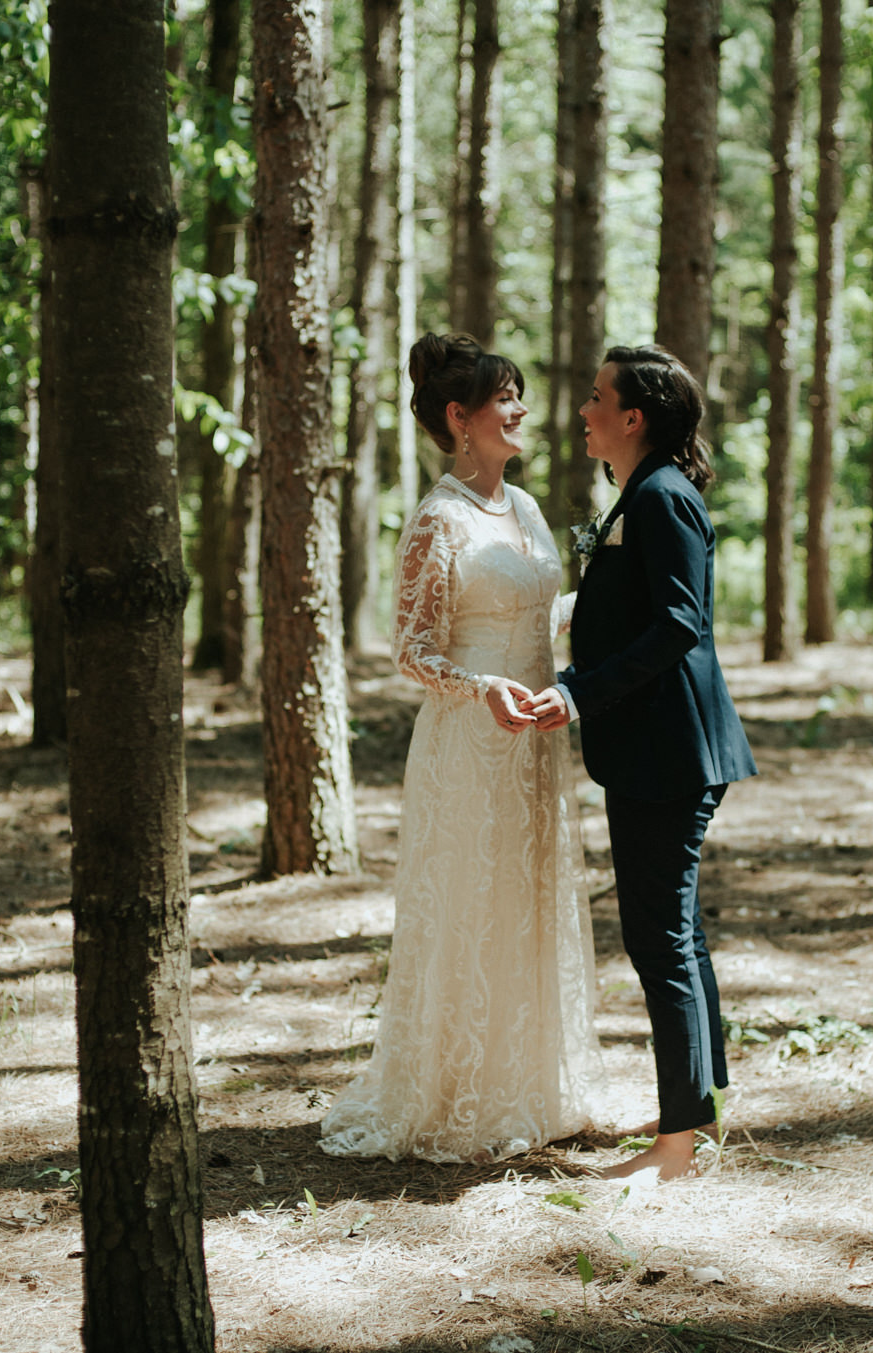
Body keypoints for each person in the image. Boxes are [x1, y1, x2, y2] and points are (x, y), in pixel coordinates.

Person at [319, 333, 601, 1163]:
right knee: (475, 904)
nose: (521, 410)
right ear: (459, 418)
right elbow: (411, 650)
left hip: (537, 740)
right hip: (472, 742)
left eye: (519, 394)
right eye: (504, 399)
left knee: (530, 896)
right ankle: (461, 1090)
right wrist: (485, 690)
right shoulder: (436, 520)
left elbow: (536, 614)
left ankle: (532, 1082)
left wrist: (608, 594)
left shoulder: (525, 508)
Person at [523, 345, 757, 1181]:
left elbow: (679, 625)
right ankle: (699, 1107)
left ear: (634, 417)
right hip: (656, 749)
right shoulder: (641, 493)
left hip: (671, 751)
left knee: (658, 938)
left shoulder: (661, 496)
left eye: (596, 398)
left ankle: (677, 1150)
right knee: (676, 933)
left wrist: (580, 690)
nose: (583, 411)